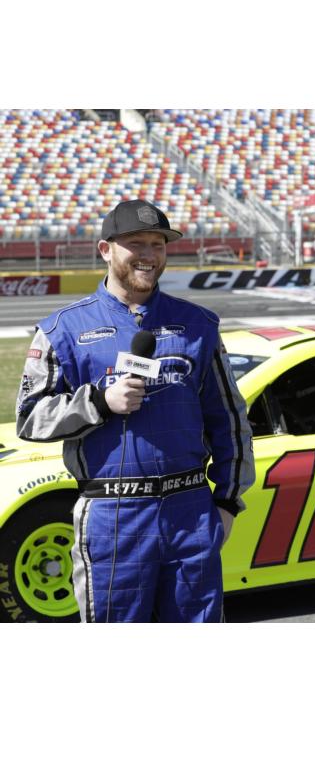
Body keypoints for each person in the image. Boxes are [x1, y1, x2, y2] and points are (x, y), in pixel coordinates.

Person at [16, 199, 255, 622]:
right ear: (105, 250)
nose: (149, 254)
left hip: (191, 512)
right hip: (112, 516)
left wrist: (227, 503)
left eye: (158, 244)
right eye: (136, 244)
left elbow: (231, 421)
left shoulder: (198, 325)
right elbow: (30, 418)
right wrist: (98, 402)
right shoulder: (62, 330)